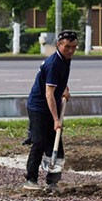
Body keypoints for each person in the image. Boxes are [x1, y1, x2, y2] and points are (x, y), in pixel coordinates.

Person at [23, 30, 77, 191]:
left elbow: (58, 81)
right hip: (39, 107)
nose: (71, 50)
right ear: (59, 45)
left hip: (51, 104)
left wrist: (65, 88)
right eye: (67, 47)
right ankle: (31, 179)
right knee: (39, 142)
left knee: (56, 145)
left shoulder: (65, 60)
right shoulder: (54, 63)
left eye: (73, 47)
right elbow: (49, 93)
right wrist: (56, 120)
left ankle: (52, 181)